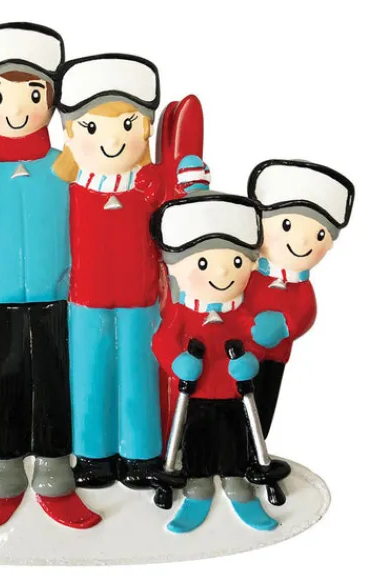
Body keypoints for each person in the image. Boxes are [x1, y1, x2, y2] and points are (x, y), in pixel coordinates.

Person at [0, 22, 100, 531]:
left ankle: (56, 466)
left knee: (56, 381)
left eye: (34, 94)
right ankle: (3, 466)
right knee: (3, 381)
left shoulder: (68, 166)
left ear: (51, 100)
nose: (17, 109)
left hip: (60, 299)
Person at [54, 54, 164, 488]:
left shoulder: (150, 186)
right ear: (70, 133)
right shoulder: (70, 188)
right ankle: (93, 455)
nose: (111, 139)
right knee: (90, 375)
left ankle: (141, 454)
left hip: (141, 298)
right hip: (86, 299)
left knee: (139, 374)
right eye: (93, 127)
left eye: (127, 124)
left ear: (146, 128)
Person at [151, 193, 283, 533]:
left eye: (236, 262)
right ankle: (197, 482)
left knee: (234, 434)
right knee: (196, 435)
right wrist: (177, 362)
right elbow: (162, 341)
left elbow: (255, 340)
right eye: (204, 264)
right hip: (194, 394)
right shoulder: (182, 313)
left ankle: (236, 479)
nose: (222, 272)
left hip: (233, 393)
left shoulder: (241, 313)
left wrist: (252, 358)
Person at [244, 159, 355, 437]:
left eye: (319, 235)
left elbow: (306, 312)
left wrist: (285, 327)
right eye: (286, 225)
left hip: (275, 357)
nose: (303, 242)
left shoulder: (302, 290)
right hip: (236, 352)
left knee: (263, 403)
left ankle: (255, 448)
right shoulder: (247, 272)